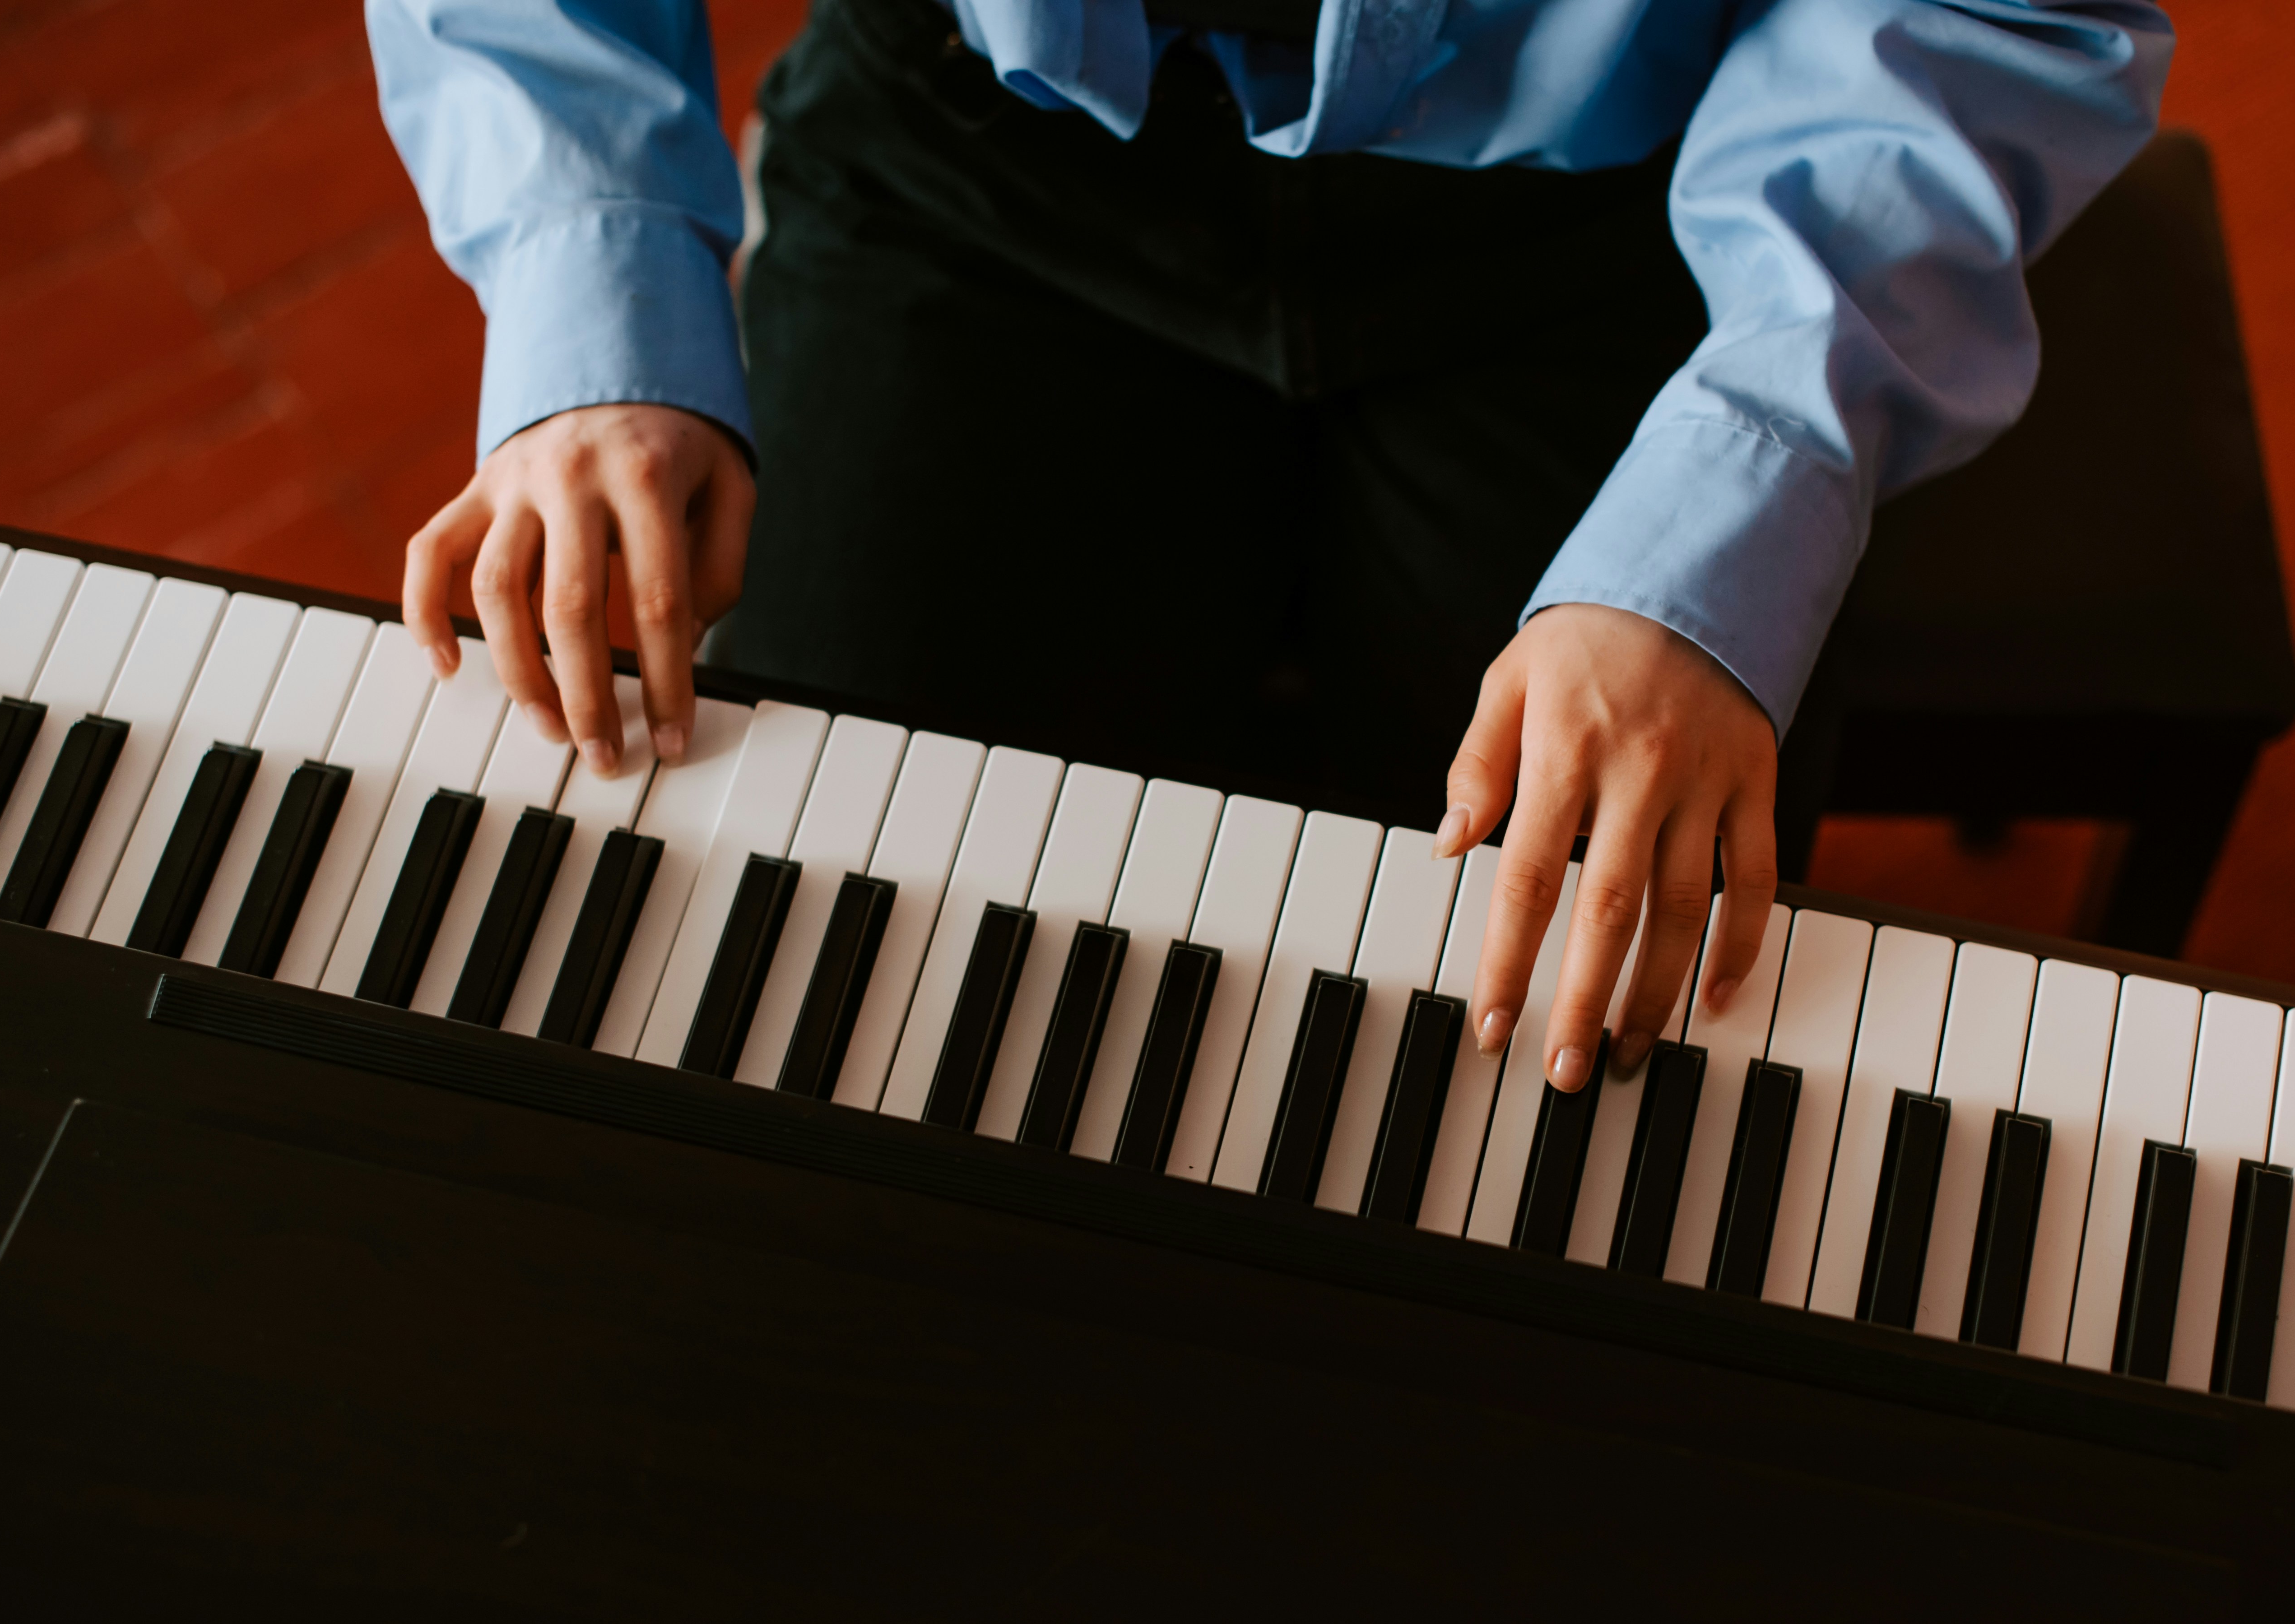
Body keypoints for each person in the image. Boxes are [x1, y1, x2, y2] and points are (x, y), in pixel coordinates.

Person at [368, 0, 2169, 1101]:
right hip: (976, 158)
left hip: (1648, 213)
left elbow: (1980, 7)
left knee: (1574, 1048)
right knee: (811, 983)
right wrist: (581, 266)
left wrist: (1754, 472)